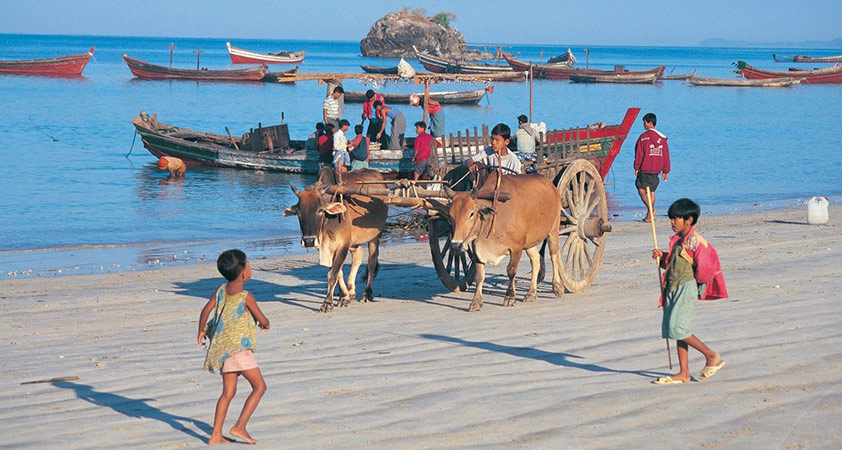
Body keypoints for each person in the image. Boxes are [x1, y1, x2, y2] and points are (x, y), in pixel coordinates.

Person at [651, 199, 728, 385]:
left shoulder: (696, 242)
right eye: (671, 219)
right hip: (673, 287)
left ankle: (711, 356)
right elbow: (671, 265)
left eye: (675, 219)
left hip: (686, 287)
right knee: (675, 328)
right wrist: (661, 257)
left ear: (688, 220)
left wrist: (695, 275)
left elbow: (707, 269)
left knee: (678, 328)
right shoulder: (678, 241)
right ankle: (684, 373)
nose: (671, 222)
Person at [197, 249, 270, 444]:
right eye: (249, 264)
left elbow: (205, 310)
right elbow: (262, 318)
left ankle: (215, 435)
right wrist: (265, 324)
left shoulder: (220, 290)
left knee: (227, 393)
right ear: (243, 273)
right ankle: (240, 426)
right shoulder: (246, 297)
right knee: (259, 387)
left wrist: (201, 331)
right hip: (239, 350)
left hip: (223, 351)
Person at [634, 112, 670, 223]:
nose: (643, 125)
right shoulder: (662, 139)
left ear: (650, 123)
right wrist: (666, 170)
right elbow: (666, 155)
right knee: (652, 192)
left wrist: (636, 167)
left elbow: (639, 153)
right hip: (656, 170)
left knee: (641, 189)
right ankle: (649, 216)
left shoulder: (643, 137)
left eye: (645, 122)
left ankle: (651, 209)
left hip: (645, 168)